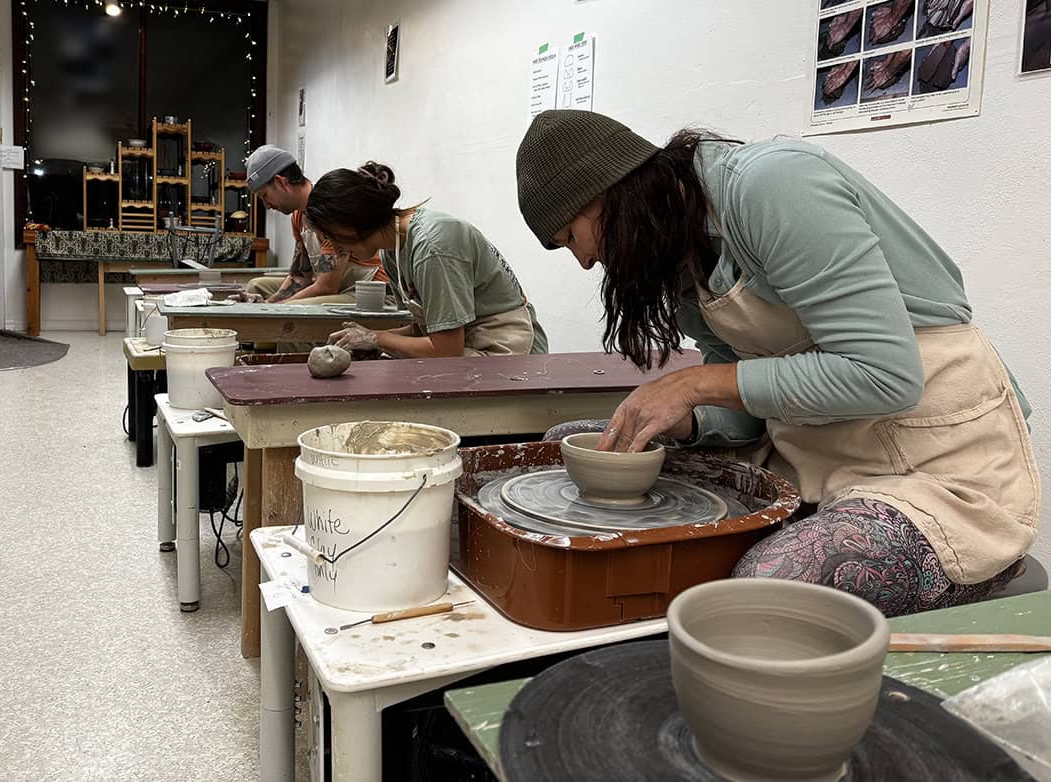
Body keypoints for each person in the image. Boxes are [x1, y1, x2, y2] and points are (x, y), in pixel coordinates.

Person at [514, 109, 1040, 617]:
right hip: (810, 453)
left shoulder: (771, 185)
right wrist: (690, 419)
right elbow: (747, 404)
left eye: (570, 239)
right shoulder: (677, 245)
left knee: (767, 587)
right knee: (566, 440)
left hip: (931, 468)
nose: (585, 262)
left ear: (605, 193)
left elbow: (884, 375)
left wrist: (697, 384)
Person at [304, 162, 548, 358]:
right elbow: (427, 330)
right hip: (465, 342)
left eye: (333, 237)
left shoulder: (433, 247)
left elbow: (446, 350)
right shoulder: (392, 248)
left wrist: (376, 338)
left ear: (352, 223)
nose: (334, 248)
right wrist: (369, 338)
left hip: (507, 347)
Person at [242, 145, 389, 304]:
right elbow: (300, 276)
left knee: (290, 308)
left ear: (281, 182)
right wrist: (267, 303)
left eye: (265, 196)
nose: (267, 205)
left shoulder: (327, 208)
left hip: (370, 289)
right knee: (256, 286)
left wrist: (275, 308)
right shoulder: (298, 216)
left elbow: (326, 287)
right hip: (335, 284)